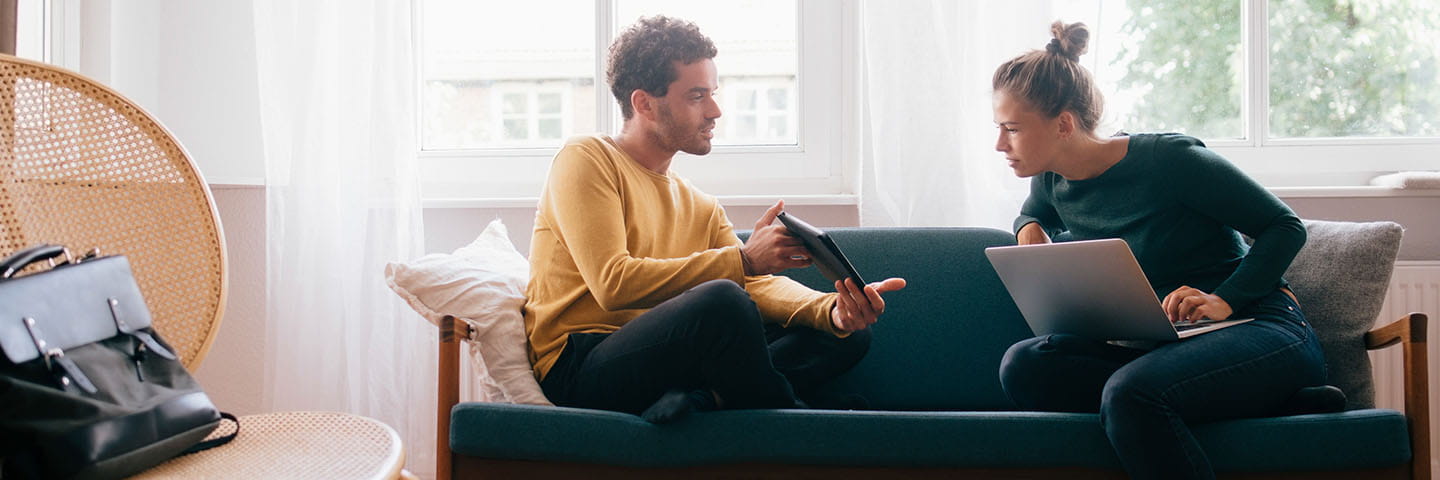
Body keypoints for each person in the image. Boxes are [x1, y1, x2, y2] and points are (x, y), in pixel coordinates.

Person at [992, 21, 1342, 480]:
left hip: (1262, 329)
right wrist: (1029, 228)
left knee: (1130, 394)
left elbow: (1283, 226)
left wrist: (1224, 299)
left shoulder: (1169, 162)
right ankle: (1268, 403)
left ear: (1063, 124)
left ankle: (1272, 387)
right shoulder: (1052, 177)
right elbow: (1030, 212)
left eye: (1012, 129)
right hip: (1171, 347)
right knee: (1025, 365)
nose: (1000, 145)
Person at [525, 15, 907, 424]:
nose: (715, 110)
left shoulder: (699, 204)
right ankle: (794, 416)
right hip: (583, 367)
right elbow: (612, 283)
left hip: (668, 362)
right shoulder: (587, 159)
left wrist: (832, 310)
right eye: (696, 96)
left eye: (713, 93)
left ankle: (706, 399)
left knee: (846, 335)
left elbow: (754, 286)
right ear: (644, 104)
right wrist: (743, 261)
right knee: (721, 300)